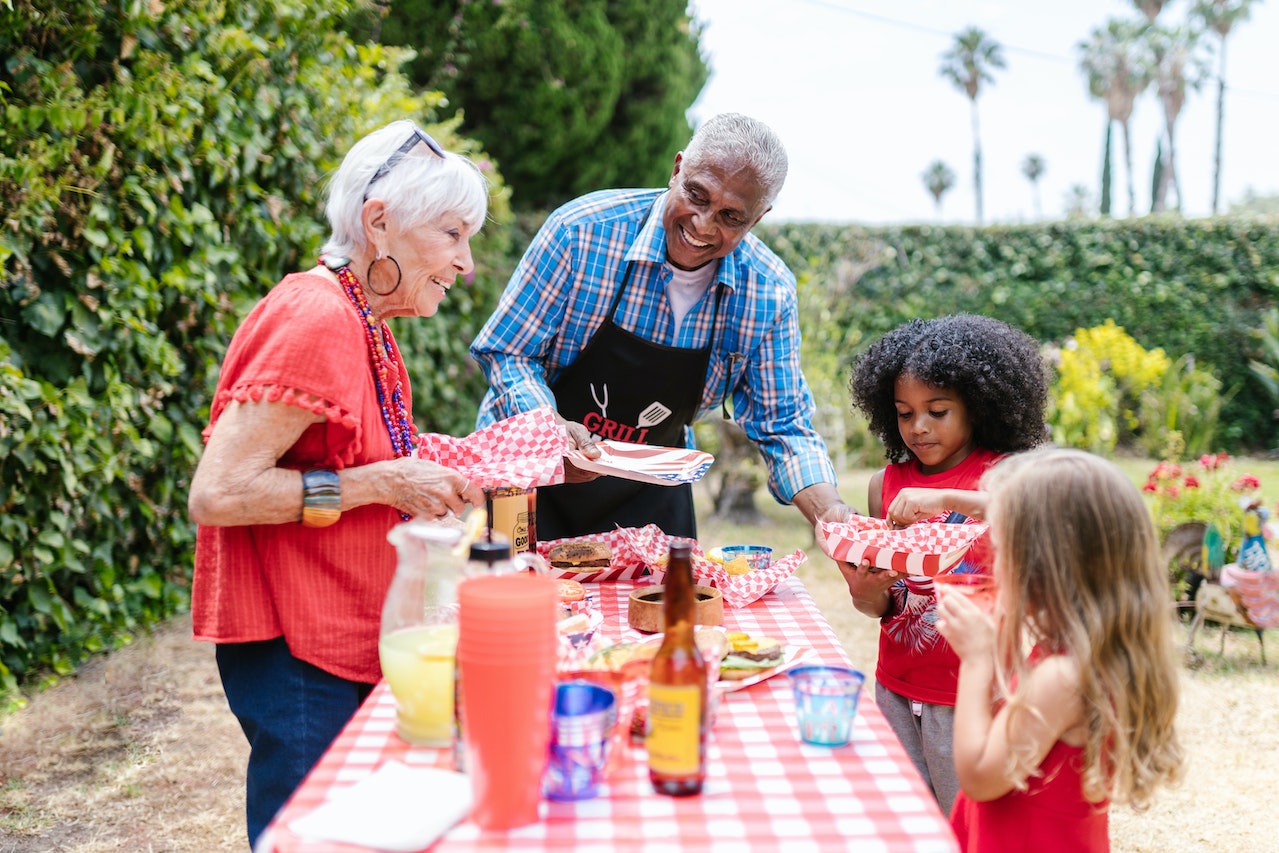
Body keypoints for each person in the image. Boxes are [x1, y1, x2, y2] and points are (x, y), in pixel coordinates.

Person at [187, 120, 488, 849]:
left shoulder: (365, 319)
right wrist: (385, 481)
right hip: (295, 647)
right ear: (378, 222)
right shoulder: (316, 313)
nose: (467, 263)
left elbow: (355, 454)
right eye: (452, 234)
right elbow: (219, 493)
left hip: (337, 631)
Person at [470, 112, 853, 541]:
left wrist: (831, 512)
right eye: (697, 195)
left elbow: (783, 424)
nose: (704, 225)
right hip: (530, 473)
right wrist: (549, 428)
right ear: (676, 169)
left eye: (731, 217)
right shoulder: (581, 232)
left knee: (664, 609)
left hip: (649, 494)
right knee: (515, 604)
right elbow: (509, 351)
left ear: (757, 219)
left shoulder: (767, 291)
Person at [840, 313, 1049, 813]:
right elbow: (887, 605)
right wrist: (867, 596)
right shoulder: (883, 486)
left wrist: (945, 498)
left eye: (938, 411)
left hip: (975, 693)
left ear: (978, 407)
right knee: (905, 821)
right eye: (905, 413)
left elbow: (1043, 521)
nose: (919, 427)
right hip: (895, 685)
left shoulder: (1006, 478)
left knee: (971, 821)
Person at [936, 448, 1184, 850]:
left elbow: (980, 776)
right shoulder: (1083, 657)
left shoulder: (1062, 678)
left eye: (1000, 549)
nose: (992, 563)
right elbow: (1012, 736)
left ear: (1042, 568)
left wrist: (977, 661)